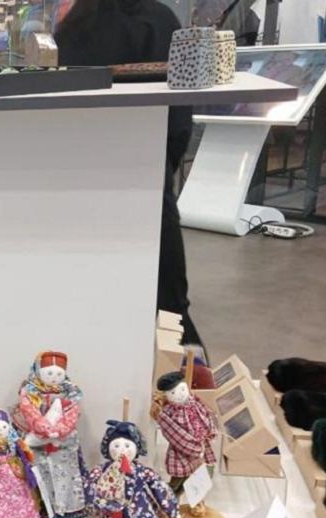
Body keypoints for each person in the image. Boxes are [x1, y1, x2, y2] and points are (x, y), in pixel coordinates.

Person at [55, 0, 204, 348]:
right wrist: (163, 171)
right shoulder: (159, 20)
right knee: (168, 307)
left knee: (90, 294)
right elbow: (179, 119)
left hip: (81, 183)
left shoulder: (73, 26)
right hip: (147, 181)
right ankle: (184, 372)